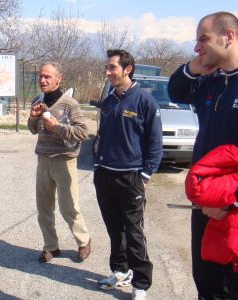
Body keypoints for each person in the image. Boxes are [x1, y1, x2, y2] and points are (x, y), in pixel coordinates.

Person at [168, 11, 238, 299]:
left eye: (204, 39)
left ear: (229, 36)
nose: (197, 47)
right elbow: (176, 91)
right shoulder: (212, 82)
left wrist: (231, 201)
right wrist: (193, 67)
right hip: (206, 207)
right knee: (207, 283)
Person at [94, 49, 163, 300]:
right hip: (105, 175)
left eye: (112, 67)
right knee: (115, 230)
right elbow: (103, 137)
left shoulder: (144, 101)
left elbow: (155, 144)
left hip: (131, 177)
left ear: (127, 69)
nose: (108, 72)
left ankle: (141, 284)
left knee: (134, 232)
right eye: (107, 67)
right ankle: (120, 271)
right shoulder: (110, 99)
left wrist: (145, 175)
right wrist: (97, 167)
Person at [27, 62, 91, 263]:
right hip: (43, 161)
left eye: (47, 76)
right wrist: (32, 117)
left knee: (68, 207)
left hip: (65, 161)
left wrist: (58, 128)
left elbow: (83, 132)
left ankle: (84, 241)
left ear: (58, 79)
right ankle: (51, 247)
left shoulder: (69, 104)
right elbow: (33, 129)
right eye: (40, 76)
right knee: (44, 207)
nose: (42, 80)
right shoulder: (37, 100)